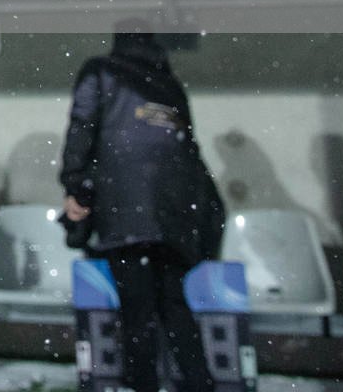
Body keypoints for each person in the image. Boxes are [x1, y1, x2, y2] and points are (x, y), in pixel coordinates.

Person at [61, 25, 222, 392]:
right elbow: (189, 154)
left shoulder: (100, 70)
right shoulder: (170, 85)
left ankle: (141, 385)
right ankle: (201, 384)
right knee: (175, 309)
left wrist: (77, 187)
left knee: (137, 313)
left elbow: (82, 127)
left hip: (125, 213)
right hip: (174, 219)